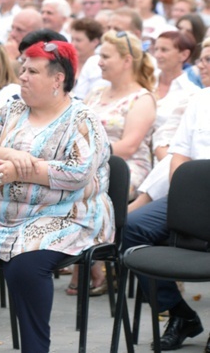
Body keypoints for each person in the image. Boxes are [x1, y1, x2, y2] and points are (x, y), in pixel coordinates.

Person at [0, 40, 113, 353]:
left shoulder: (83, 120)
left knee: (25, 266)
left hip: (63, 215)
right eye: (22, 69)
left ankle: (35, 348)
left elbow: (78, 174)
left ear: (58, 79)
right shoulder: (11, 109)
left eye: (33, 71)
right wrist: (10, 154)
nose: (23, 77)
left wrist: (23, 169)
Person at [122, 42, 210, 352]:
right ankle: (179, 314)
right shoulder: (200, 100)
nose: (203, 66)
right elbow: (179, 154)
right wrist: (188, 202)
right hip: (194, 199)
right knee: (131, 228)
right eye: (203, 59)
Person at [129, 31, 200, 212]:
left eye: (164, 50)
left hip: (163, 158)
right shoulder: (144, 83)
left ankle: (132, 212)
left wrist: (170, 158)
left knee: (171, 161)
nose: (158, 55)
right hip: (141, 152)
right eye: (156, 49)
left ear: (183, 55)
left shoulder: (191, 93)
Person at [85, 30, 156, 200]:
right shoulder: (96, 93)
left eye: (106, 57)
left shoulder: (142, 98)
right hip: (88, 161)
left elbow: (128, 147)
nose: (100, 63)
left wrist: (85, 157)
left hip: (123, 166)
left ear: (127, 61)